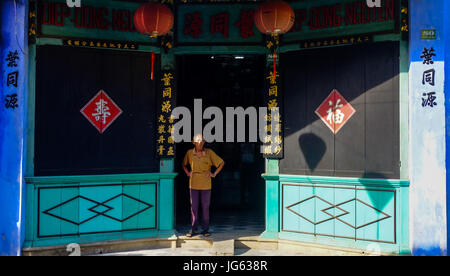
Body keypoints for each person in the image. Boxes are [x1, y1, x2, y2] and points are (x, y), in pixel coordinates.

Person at [182, 134, 225, 237]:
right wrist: (188, 173)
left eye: (202, 141)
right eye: (198, 141)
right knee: (194, 207)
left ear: (204, 142)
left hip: (206, 184)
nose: (200, 143)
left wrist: (214, 174)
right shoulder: (189, 153)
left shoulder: (209, 153)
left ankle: (205, 230)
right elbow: (183, 164)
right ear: (194, 143)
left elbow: (222, 163)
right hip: (193, 183)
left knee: (205, 207)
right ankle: (193, 229)